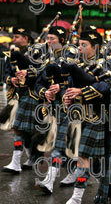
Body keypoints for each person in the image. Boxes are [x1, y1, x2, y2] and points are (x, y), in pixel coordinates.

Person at [64, 29, 111, 204]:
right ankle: (104, 190)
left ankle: (76, 198)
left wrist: (82, 91)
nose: (80, 48)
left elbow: (109, 88)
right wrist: (66, 97)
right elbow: (68, 86)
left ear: (95, 47)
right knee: (95, 164)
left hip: (97, 119)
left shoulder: (104, 65)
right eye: (79, 44)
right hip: (78, 118)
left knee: (83, 158)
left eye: (84, 45)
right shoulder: (78, 65)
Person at [33, 26, 79, 194]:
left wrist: (62, 87)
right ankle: (74, 172)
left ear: (61, 40)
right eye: (48, 38)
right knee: (65, 143)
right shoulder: (47, 58)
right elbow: (39, 82)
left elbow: (79, 79)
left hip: (72, 105)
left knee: (60, 144)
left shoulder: (72, 54)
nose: (49, 41)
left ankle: (50, 181)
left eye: (52, 38)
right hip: (54, 108)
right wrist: (45, 92)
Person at [2, 27, 42, 173]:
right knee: (23, 130)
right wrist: (11, 79)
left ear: (26, 38)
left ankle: (16, 162)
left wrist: (27, 75)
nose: (14, 39)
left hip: (31, 94)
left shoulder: (36, 53)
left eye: (17, 37)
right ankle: (31, 157)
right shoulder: (10, 54)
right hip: (16, 95)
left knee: (19, 128)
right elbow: (5, 74)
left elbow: (40, 73)